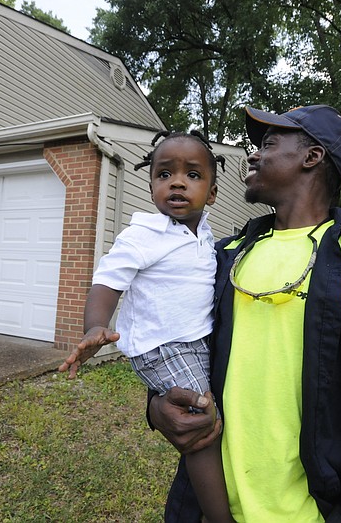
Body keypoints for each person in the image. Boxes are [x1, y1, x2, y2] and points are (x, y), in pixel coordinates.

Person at [149, 105, 341, 522]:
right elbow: (174, 345)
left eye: (269, 143)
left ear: (312, 157)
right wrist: (156, 407)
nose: (253, 155)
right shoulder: (219, 255)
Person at [59, 130, 233, 523]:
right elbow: (107, 281)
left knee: (214, 417)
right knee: (202, 428)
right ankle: (219, 518)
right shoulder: (143, 234)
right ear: (152, 183)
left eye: (193, 175)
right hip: (164, 346)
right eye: (164, 174)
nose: (176, 182)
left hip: (195, 342)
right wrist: (94, 327)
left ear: (213, 192)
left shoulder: (205, 238)